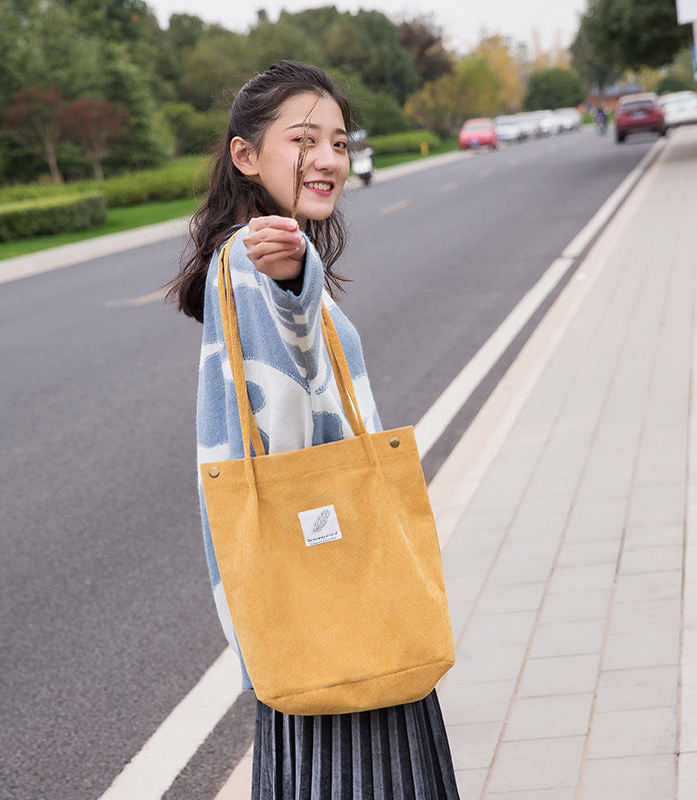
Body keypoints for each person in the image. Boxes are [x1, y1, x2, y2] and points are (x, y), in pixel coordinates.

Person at [167, 61, 460, 800]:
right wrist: (297, 282)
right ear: (245, 155)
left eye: (338, 140)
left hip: (327, 600)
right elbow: (292, 364)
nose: (329, 158)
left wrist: (301, 273)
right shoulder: (257, 254)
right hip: (335, 594)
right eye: (305, 139)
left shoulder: (260, 249)